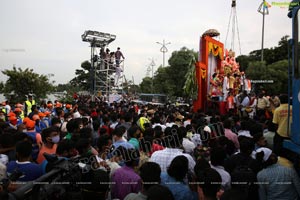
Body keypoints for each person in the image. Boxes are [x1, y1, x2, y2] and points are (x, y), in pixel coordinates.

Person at [272, 94, 293, 158]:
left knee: (278, 150)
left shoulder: (277, 110)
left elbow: (275, 123)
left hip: (281, 133)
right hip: (293, 133)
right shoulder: (294, 108)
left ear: (280, 101)